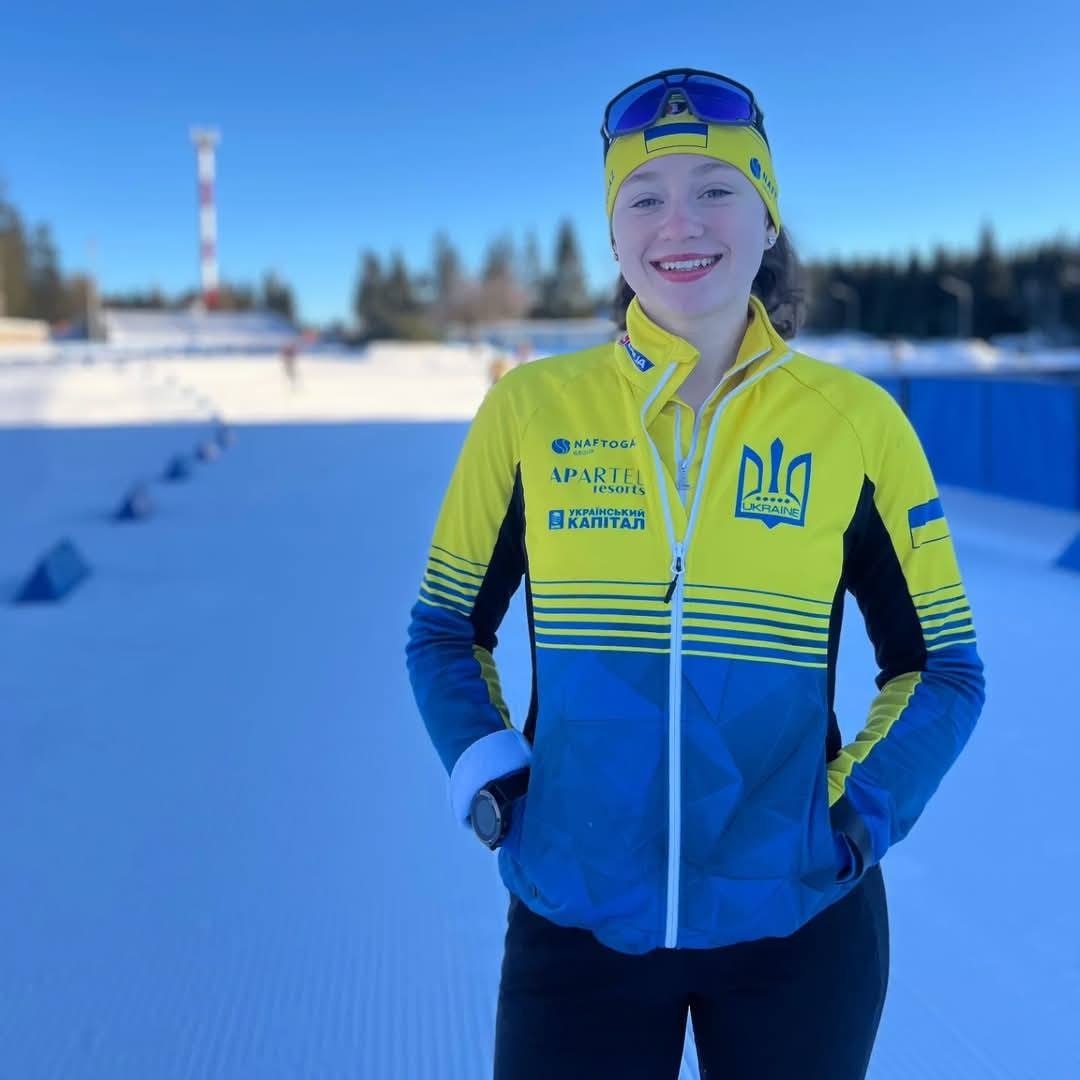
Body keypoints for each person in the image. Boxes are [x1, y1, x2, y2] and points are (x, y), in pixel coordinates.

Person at [405, 68, 986, 1080]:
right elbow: (445, 630)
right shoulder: (531, 413)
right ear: (614, 235)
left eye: (717, 188)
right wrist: (497, 784)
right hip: (578, 923)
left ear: (768, 218)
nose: (682, 223)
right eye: (645, 197)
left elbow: (943, 668)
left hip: (798, 931)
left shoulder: (857, 426)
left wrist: (849, 823)